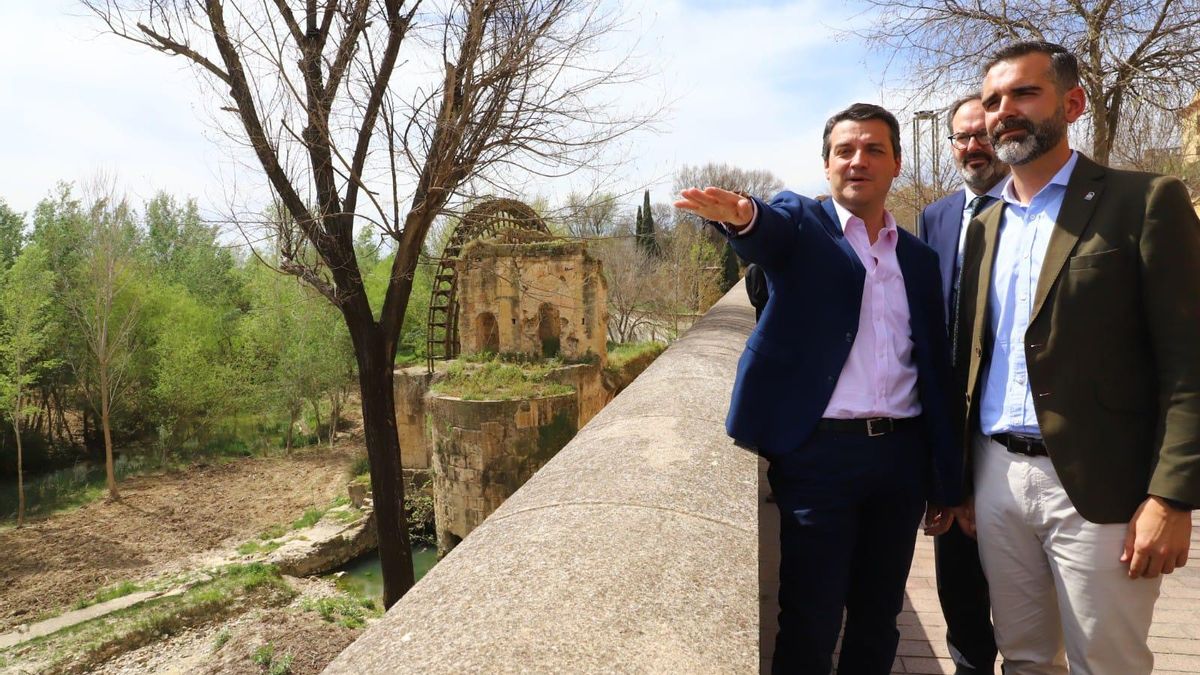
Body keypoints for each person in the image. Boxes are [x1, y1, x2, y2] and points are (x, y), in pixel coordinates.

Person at [675, 103, 965, 674]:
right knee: (810, 617)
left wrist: (944, 477)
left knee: (878, 618)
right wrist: (742, 215)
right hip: (819, 457)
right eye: (845, 151)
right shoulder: (804, 227)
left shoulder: (920, 258)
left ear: (897, 164)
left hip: (901, 457)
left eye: (874, 149)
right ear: (827, 164)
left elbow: (934, 368)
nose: (859, 161)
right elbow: (768, 231)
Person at [954, 40, 1200, 673]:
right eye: (992, 101)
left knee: (1108, 664)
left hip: (1103, 488)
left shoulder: (1143, 202)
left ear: (1073, 102)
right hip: (997, 477)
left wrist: (1172, 498)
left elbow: (1188, 360)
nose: (1004, 110)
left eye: (1023, 93)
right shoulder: (984, 225)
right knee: (1027, 658)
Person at [917, 94, 1009, 675]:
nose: (973, 146)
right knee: (958, 583)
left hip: (1018, 430)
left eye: (983, 135)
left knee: (1027, 597)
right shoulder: (937, 216)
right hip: (952, 429)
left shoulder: (1044, 212)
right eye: (962, 137)